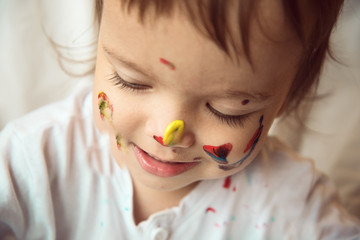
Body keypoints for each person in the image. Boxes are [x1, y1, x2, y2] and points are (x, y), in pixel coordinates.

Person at [1, 0, 360, 239]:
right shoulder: (31, 164)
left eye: (227, 110)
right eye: (132, 81)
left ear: (287, 98)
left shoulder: (295, 210)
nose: (166, 135)